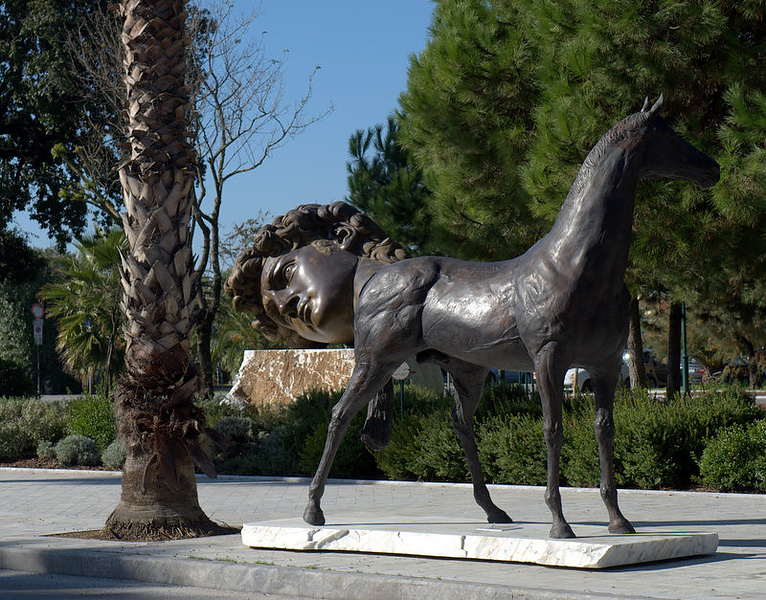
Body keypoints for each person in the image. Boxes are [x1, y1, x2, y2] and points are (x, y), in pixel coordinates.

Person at [224, 201, 408, 449]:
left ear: (340, 236)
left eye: (287, 274)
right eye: (282, 318)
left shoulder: (430, 281)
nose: (283, 305)